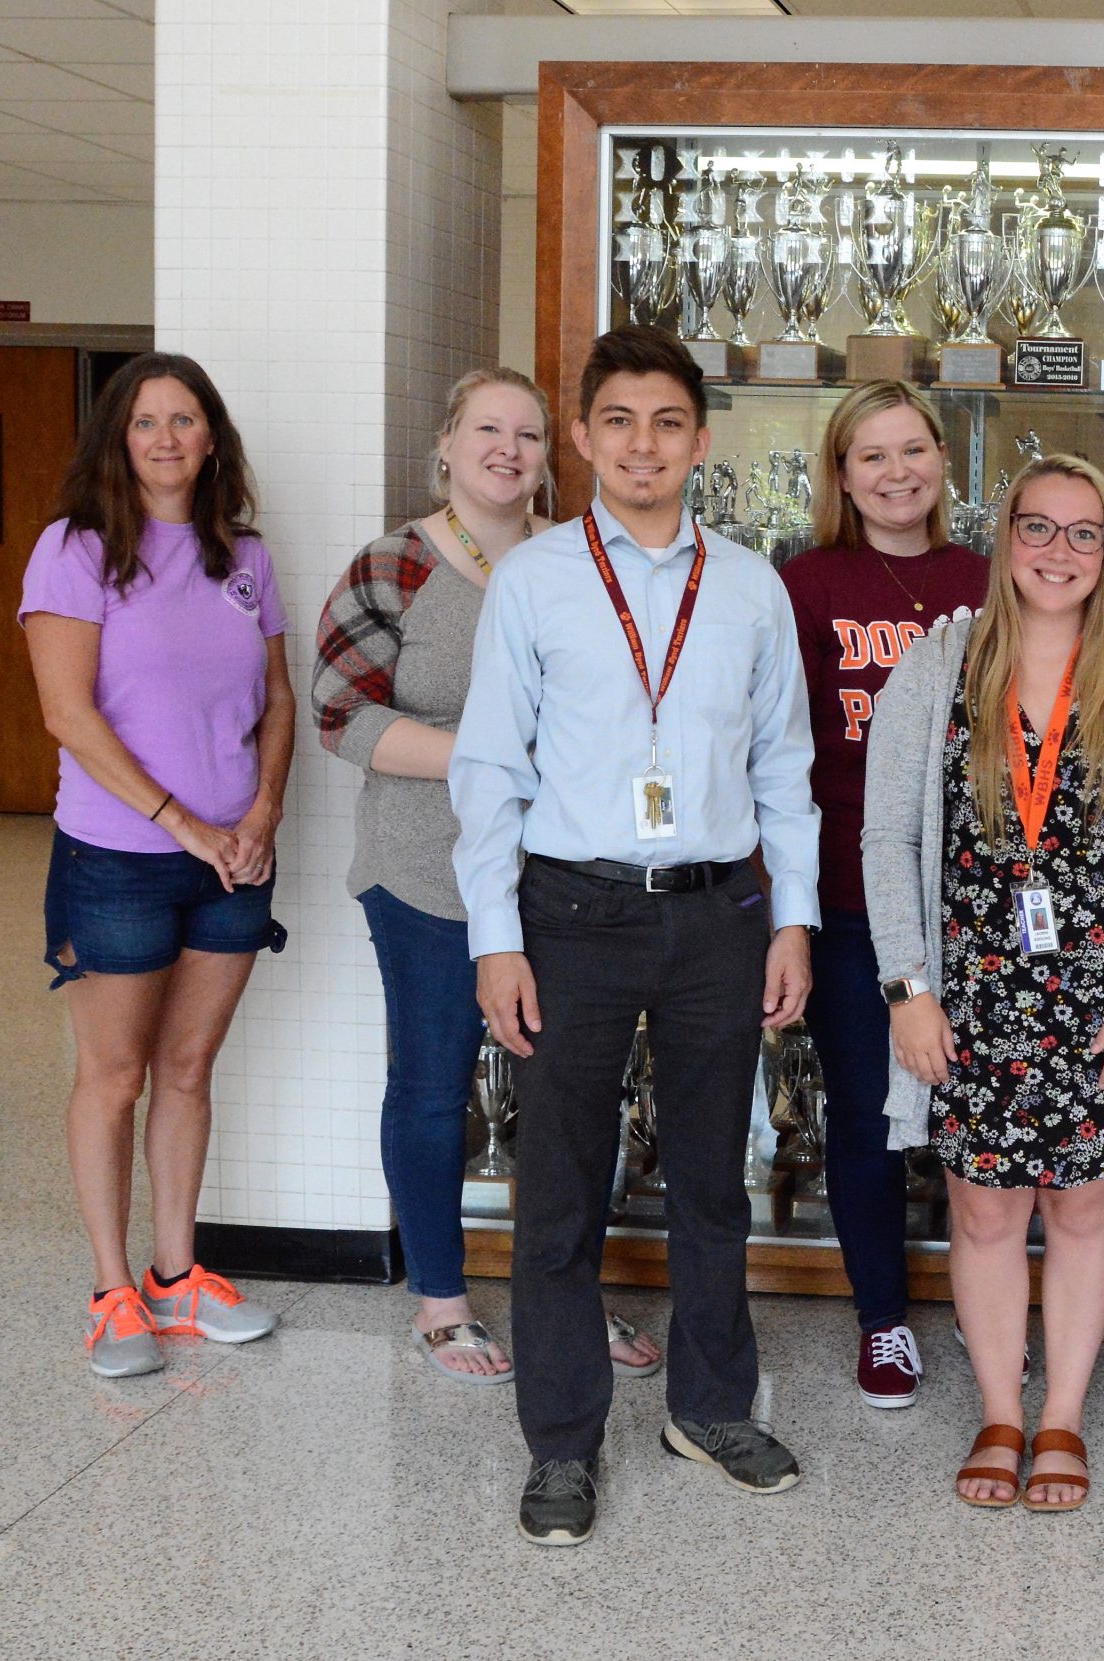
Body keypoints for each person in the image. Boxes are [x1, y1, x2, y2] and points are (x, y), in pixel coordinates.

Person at [450, 326, 820, 1548]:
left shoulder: (752, 584)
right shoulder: (538, 579)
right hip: (572, 914)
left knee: (716, 1177)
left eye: (666, 422)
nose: (642, 444)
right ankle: (562, 1438)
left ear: (701, 441)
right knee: (560, 1190)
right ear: (583, 436)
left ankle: (709, 1406)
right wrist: (496, 938)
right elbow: (490, 768)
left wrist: (794, 922)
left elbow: (785, 771)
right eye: (618, 420)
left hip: (720, 911)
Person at [861, 453, 1104, 1513]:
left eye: (1083, 532)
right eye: (1038, 528)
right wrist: (907, 986)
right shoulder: (939, 665)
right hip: (967, 998)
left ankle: (1058, 1413)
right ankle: (998, 1412)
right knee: (981, 1211)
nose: (1058, 551)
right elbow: (887, 836)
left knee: (1086, 1206)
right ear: (1005, 537)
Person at [312, 367, 664, 1386]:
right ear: (447, 443)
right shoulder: (394, 564)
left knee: (573, 1095)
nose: (507, 449)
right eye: (486, 430)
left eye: (525, 434)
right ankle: (441, 1298)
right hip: (426, 874)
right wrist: (490, 752)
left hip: (565, 878)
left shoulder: (583, 559)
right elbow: (341, 714)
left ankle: (566, 1291)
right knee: (431, 1088)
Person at [21, 352, 293, 1380]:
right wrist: (183, 821)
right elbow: (67, 714)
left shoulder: (244, 557)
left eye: (186, 419)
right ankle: (110, 1290)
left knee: (187, 1068)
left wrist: (260, 812)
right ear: (117, 439)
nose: (167, 438)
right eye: (146, 421)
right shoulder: (74, 549)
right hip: (120, 857)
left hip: (233, 858)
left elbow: (275, 701)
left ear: (211, 437)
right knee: (116, 1073)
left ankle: (178, 1276)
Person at [779, 380, 986, 1410]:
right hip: (852, 894)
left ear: (944, 461)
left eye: (914, 450)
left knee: (979, 1115)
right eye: (873, 455)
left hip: (978, 900)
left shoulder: (987, 580)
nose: (897, 471)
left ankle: (991, 1310)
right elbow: (778, 752)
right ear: (842, 473)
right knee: (867, 1113)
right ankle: (884, 1319)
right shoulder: (806, 582)